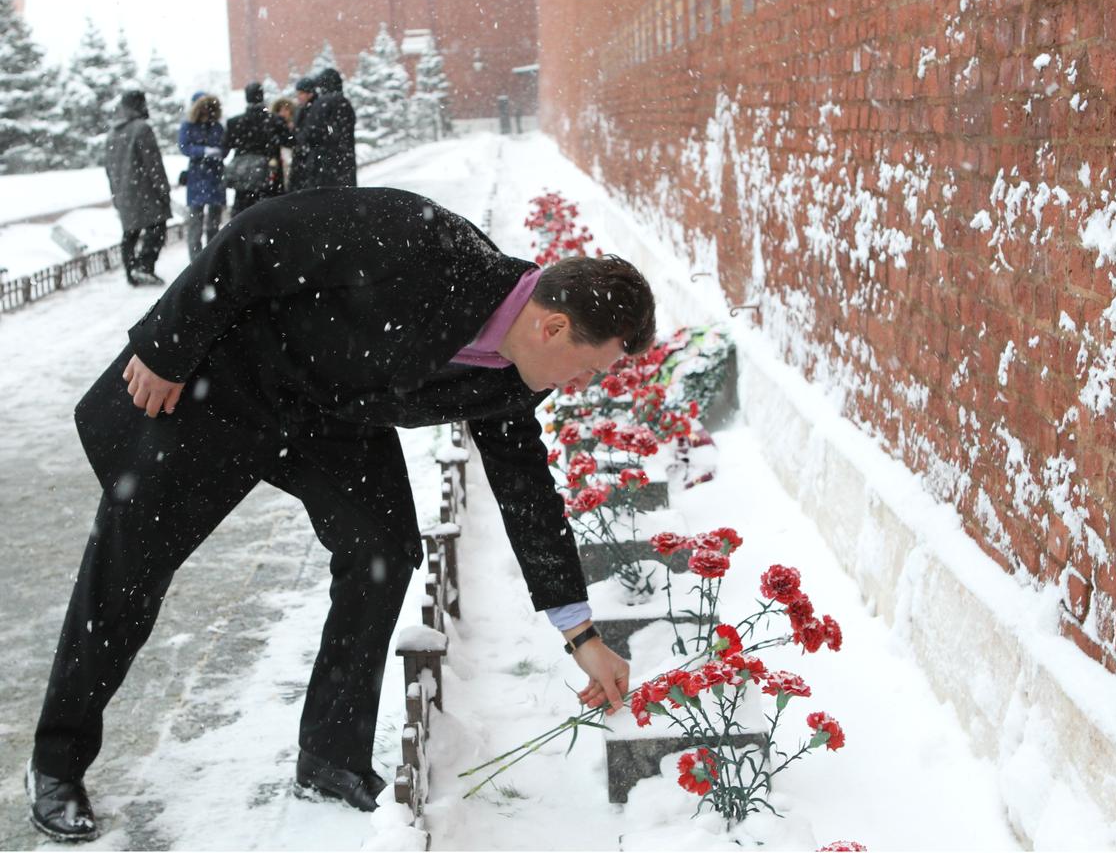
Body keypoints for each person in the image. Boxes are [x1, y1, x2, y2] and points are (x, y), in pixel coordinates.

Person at [26, 186, 655, 841]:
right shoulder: (421, 244)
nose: (579, 387)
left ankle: (330, 754)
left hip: (330, 417)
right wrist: (167, 347)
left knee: (383, 549)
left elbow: (526, 490)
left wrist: (581, 636)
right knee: (130, 567)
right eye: (586, 369)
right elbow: (254, 236)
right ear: (553, 326)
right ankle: (56, 763)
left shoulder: (510, 376)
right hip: (229, 383)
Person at [102, 90, 171, 287]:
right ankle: (144, 267)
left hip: (124, 190)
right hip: (145, 190)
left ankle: (131, 271)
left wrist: (115, 192)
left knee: (130, 232)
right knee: (157, 227)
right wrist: (163, 188)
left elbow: (108, 167)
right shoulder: (142, 129)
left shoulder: (113, 133)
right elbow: (153, 163)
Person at [224, 82, 293, 217]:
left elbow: (227, 145)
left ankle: (244, 236)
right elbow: (290, 141)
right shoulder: (275, 121)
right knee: (271, 214)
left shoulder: (235, 122)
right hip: (270, 174)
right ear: (262, 96)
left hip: (244, 175)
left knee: (243, 214)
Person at [177, 93, 227, 259]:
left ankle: (211, 259)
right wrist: (204, 151)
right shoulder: (188, 126)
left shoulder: (217, 127)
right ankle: (196, 261)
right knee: (195, 224)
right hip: (197, 177)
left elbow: (225, 147)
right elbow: (184, 147)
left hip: (214, 176)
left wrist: (219, 152)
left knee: (213, 223)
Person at [301, 67, 357, 188]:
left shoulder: (319, 105)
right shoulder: (343, 102)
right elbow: (341, 132)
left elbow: (311, 134)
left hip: (323, 167)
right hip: (344, 165)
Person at [287, 75, 317, 192]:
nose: (298, 97)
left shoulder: (314, 109)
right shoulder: (301, 109)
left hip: (308, 157)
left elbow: (307, 133)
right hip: (303, 156)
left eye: (301, 93)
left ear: (309, 93)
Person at [271, 95, 297, 190]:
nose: (283, 113)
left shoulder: (296, 126)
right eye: (280, 110)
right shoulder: (274, 127)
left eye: (286, 110)